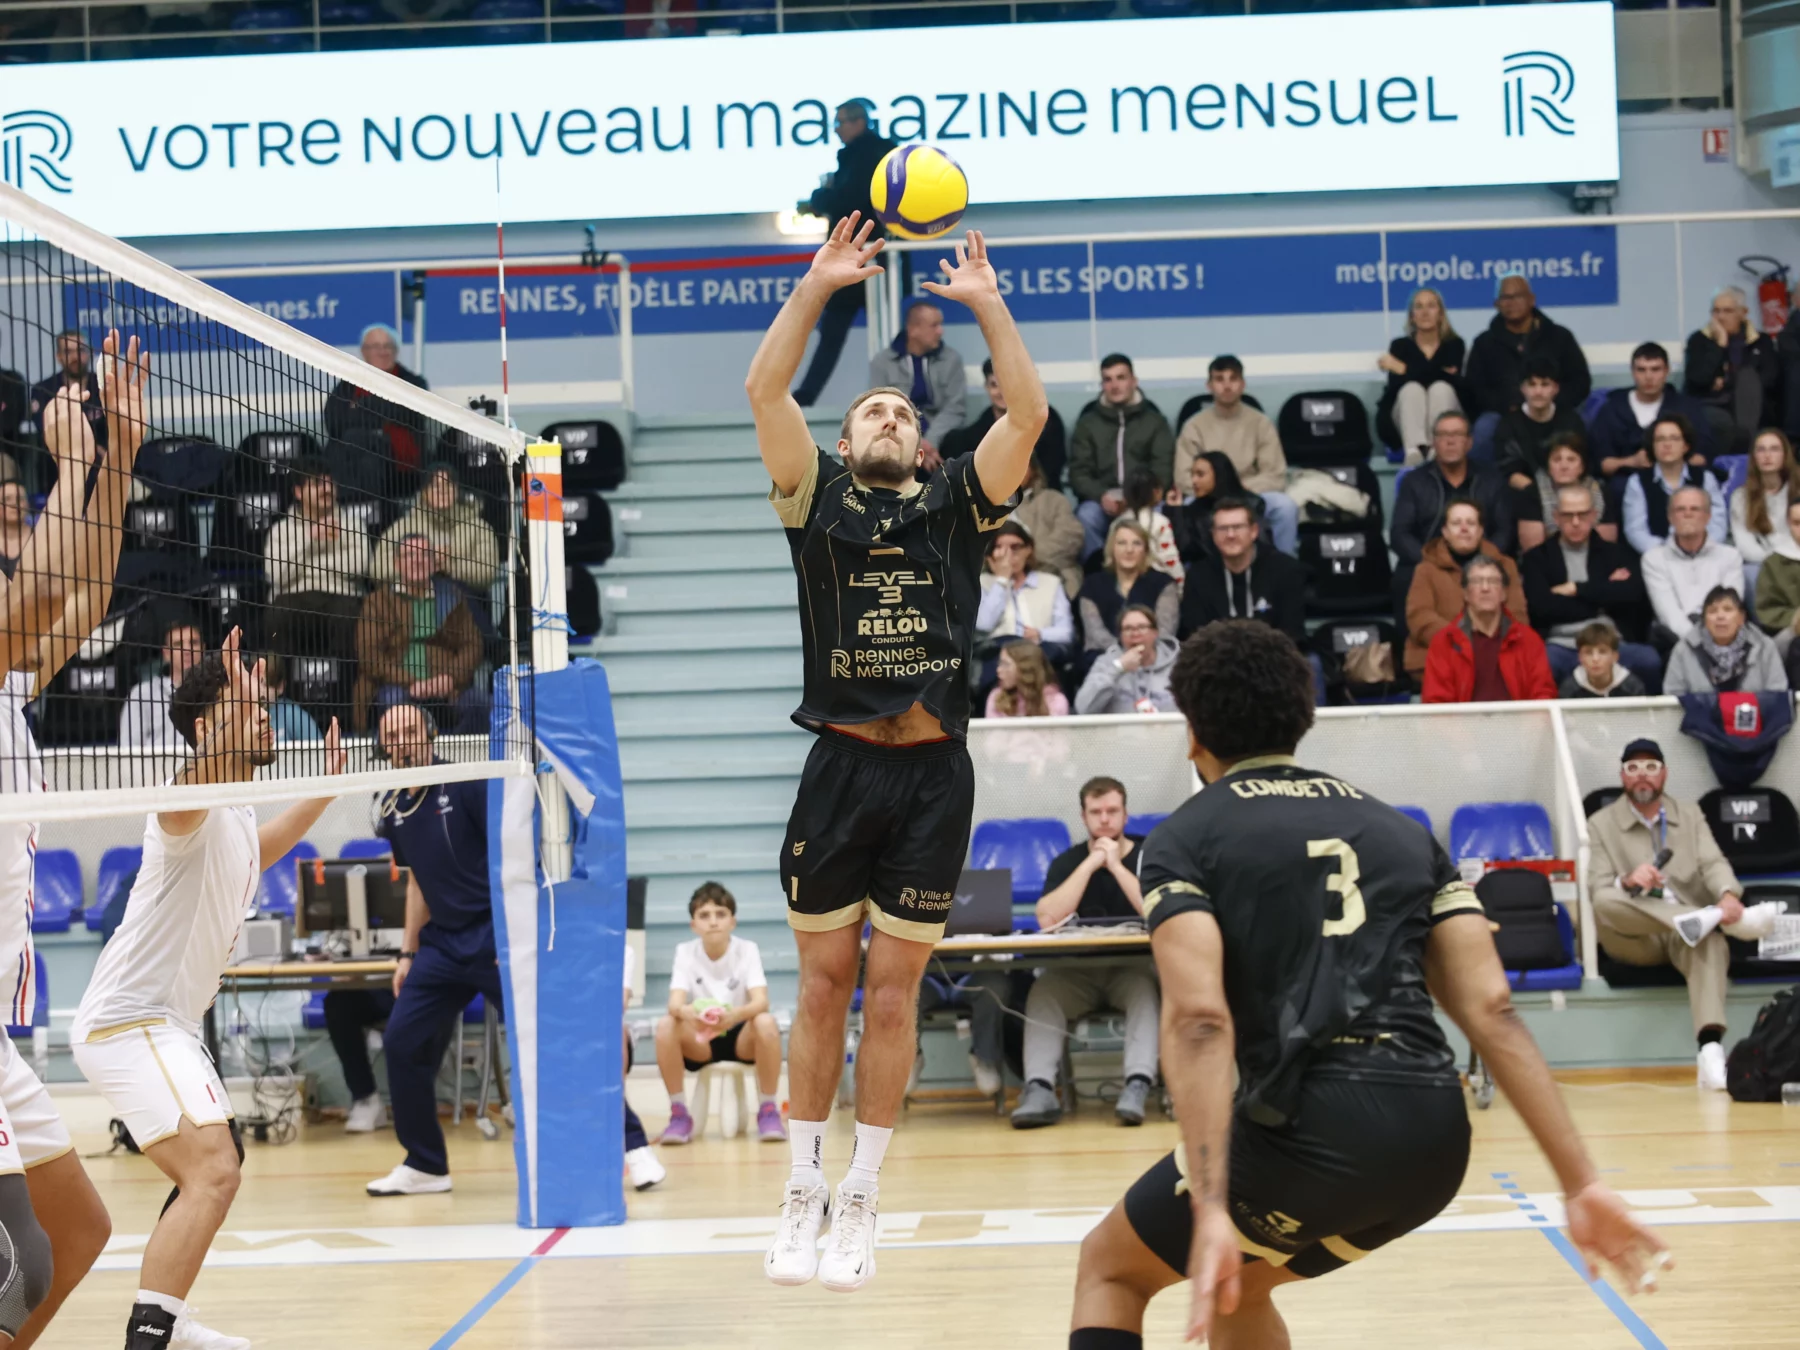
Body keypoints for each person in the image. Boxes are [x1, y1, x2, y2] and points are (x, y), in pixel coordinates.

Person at [1066, 621, 1666, 1350]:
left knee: (1110, 1269)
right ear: (1303, 718)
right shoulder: (1403, 832)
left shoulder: (1183, 839)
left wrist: (1213, 1204)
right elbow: (1492, 1010)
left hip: (1308, 1134)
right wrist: (1581, 1182)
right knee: (1240, 1287)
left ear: (1192, 733)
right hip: (1432, 1144)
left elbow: (1199, 1020)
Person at [746, 218, 1046, 1293]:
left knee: (890, 995)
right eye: (872, 407)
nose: (888, 415)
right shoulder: (813, 495)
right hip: (838, 767)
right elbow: (765, 391)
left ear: (922, 445)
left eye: (903, 411)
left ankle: (863, 1196)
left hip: (931, 774)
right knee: (823, 986)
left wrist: (988, 305)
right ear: (842, 441)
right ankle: (802, 1188)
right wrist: (817, 287)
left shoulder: (957, 501)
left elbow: (1028, 414)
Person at [74, 631, 346, 1350]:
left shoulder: (236, 813)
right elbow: (190, 791)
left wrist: (323, 792)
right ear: (206, 727)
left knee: (219, 1162)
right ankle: (153, 1337)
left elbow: (255, 854)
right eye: (249, 706)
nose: (266, 714)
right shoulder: (183, 806)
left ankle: (167, 1311)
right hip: (130, 1022)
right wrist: (229, 716)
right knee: (216, 1170)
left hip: (170, 1025)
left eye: (263, 704)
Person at [0, 335, 151, 1349]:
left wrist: (119, 460)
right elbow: (42, 594)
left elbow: (83, 599)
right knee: (23, 1263)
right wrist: (71, 465)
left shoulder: (9, 686)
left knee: (80, 1233)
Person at [360, 702, 505, 1196]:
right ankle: (425, 1165)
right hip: (441, 945)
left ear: (431, 733)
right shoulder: (393, 806)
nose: (401, 740)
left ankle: (623, 1144)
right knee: (401, 1042)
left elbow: (507, 858)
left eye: (409, 729)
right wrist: (407, 953)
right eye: (391, 734)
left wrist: (511, 935)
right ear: (383, 746)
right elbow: (417, 881)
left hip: (491, 934)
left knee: (544, 1038)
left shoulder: (465, 783)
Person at [1589, 740, 1782, 1091]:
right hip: (1637, 934)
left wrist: (1727, 895)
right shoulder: (1601, 823)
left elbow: (1713, 863)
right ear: (1622, 777)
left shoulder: (1690, 814)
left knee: (1709, 942)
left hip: (1685, 937)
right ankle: (1709, 918)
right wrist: (1628, 880)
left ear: (1664, 774)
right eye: (1633, 768)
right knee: (1604, 901)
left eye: (1651, 767)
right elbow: (1597, 885)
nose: (1642, 775)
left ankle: (1710, 1052)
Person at [1010, 777, 1159, 1131]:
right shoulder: (1069, 862)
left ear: (1125, 815)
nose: (1104, 819)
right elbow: (1047, 919)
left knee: (1145, 993)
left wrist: (1116, 866)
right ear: (1084, 816)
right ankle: (1040, 1089)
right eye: (1096, 812)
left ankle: (1137, 1086)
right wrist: (1091, 864)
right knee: (1044, 992)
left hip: (1132, 968)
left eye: (1112, 811)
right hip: (1076, 971)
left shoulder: (1149, 856)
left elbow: (1158, 909)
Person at [656, 883, 786, 1145]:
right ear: (694, 925)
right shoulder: (685, 951)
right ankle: (679, 1113)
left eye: (721, 914)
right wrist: (690, 1012)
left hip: (740, 1037)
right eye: (704, 915)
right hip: (701, 1040)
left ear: (732, 922)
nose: (713, 922)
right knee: (666, 1025)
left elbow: (761, 1001)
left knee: (766, 1022)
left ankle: (768, 1110)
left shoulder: (747, 949)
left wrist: (734, 1016)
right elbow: (674, 1004)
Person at [792, 102, 895, 408]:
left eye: (840, 123)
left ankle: (806, 397)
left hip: (862, 254)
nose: (836, 130)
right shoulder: (878, 154)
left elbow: (852, 200)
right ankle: (895, 395)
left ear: (859, 122)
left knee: (846, 329)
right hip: (872, 255)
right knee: (881, 329)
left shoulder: (866, 156)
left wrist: (819, 198)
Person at [1520, 484, 1658, 689]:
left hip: (1612, 643)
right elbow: (1542, 607)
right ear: (1556, 517)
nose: (1575, 522)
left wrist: (1576, 589)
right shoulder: (1537, 558)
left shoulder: (1617, 554)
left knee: (1649, 660)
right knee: (1544, 664)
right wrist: (1602, 598)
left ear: (1594, 515)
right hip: (1561, 645)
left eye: (1582, 515)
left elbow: (1631, 595)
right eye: (1568, 515)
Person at [1389, 412, 1512, 628]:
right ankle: (1413, 649)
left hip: (1481, 558)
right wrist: (1430, 563)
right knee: (1405, 578)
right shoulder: (1414, 481)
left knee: (1507, 571)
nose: (1450, 441)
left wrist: (1481, 563)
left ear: (1469, 442)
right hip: (1429, 562)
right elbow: (1400, 534)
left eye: (1457, 435)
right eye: (1443, 435)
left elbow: (1505, 531)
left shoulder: (1491, 479)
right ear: (1434, 442)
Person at [353, 534, 485, 734]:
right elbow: (369, 656)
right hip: (395, 685)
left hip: (446, 687)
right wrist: (411, 682)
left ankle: (450, 753)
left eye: (425, 554)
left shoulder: (452, 597)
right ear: (397, 564)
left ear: (434, 563)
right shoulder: (377, 601)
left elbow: (473, 644)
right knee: (395, 704)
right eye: (409, 555)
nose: (417, 560)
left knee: (480, 703)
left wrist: (450, 677)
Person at [1172, 356, 1297, 555]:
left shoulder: (1260, 423)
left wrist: (1239, 488)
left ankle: (1285, 567)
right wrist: (1216, 488)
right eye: (1219, 379)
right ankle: (1193, 571)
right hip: (1208, 495)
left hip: (1250, 492)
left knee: (1285, 506)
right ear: (1209, 385)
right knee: (1185, 507)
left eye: (1233, 378)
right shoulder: (1194, 426)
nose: (1227, 385)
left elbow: (1275, 474)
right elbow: (1183, 477)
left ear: (1243, 384)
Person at [1464, 273, 1591, 460]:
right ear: (1496, 304)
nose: (1512, 302)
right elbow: (1474, 389)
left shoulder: (1560, 337)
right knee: (1484, 428)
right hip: (1504, 412)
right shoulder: (1484, 343)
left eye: (1518, 296)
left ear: (1532, 299)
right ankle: (1483, 479)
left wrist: (1549, 402)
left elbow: (1580, 381)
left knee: (1580, 424)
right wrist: (1508, 405)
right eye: (1506, 297)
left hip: (1554, 410)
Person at [262, 456, 370, 664]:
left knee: (349, 614)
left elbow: (360, 566)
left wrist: (307, 564)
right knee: (277, 614)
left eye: (330, 483)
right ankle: (283, 682)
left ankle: (345, 682)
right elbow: (279, 576)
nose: (326, 489)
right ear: (298, 492)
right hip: (294, 597)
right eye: (317, 483)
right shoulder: (280, 530)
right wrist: (309, 538)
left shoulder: (353, 525)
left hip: (341, 596)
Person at [1403, 500, 1526, 679]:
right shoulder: (1425, 570)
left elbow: (1517, 615)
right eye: (1456, 523)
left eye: (1471, 523)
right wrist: (1462, 641)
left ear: (1481, 530)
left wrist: (1489, 646)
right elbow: (1419, 617)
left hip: (1497, 655)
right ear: (1445, 532)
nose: (1464, 529)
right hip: (1440, 657)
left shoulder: (1506, 566)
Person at [1068, 355, 1175, 560]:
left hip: (1145, 499)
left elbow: (1162, 469)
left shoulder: (1155, 422)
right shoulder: (1087, 424)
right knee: (1086, 516)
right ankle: (1099, 571)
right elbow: (1079, 473)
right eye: (1108, 379)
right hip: (1102, 501)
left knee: (1163, 514)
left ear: (1134, 381)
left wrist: (1138, 497)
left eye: (1121, 378)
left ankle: (1156, 570)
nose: (1114, 385)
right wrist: (1101, 496)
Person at [1421, 556, 1557, 703]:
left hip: (1517, 718)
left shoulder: (1528, 640)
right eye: (1477, 581)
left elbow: (1544, 695)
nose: (1485, 588)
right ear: (1465, 593)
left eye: (1493, 581)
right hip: (1464, 718)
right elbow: (1436, 703)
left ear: (1504, 593)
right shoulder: (1445, 642)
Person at [1177, 497, 1305, 643]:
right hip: (1215, 655)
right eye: (1223, 528)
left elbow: (1292, 634)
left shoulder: (1285, 570)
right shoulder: (1198, 576)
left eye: (1237, 527)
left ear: (1254, 531)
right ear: (1213, 535)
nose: (1230, 535)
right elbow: (1195, 636)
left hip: (1273, 654)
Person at [370, 463, 501, 594]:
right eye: (435, 485)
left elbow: (487, 573)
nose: (442, 490)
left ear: (457, 490)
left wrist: (449, 565)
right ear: (424, 493)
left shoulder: (479, 527)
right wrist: (421, 564)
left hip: (465, 599)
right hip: (412, 600)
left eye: (448, 484)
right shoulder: (402, 527)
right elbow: (377, 570)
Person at [868, 301, 966, 475]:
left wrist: (929, 442)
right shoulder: (883, 362)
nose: (940, 331)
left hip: (940, 437)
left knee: (960, 441)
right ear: (913, 330)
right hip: (899, 434)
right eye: (934, 325)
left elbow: (955, 408)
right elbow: (880, 409)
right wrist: (914, 441)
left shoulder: (951, 359)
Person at [943, 357, 1068, 492]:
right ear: (986, 387)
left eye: (1007, 384)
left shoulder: (1047, 420)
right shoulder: (978, 431)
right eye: (994, 385)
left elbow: (1052, 470)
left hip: (1039, 494)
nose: (1002, 392)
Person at [323, 324, 431, 480]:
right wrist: (381, 409)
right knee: (346, 445)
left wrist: (360, 406)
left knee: (363, 450)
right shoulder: (348, 385)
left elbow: (409, 414)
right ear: (364, 352)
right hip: (354, 450)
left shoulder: (414, 383)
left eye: (388, 346)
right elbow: (333, 422)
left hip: (396, 458)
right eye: (376, 347)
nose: (383, 352)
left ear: (396, 351)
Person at [1589, 342, 1713, 478]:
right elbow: (1601, 463)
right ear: (1633, 372)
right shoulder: (1612, 409)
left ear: (1666, 371)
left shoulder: (1687, 407)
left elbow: (1702, 457)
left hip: (1679, 480)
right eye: (1641, 370)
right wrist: (1631, 461)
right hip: (1626, 480)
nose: (1648, 377)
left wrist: (1670, 460)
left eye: (1655, 369)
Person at [1641, 485, 1746, 643]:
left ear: (1708, 516)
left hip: (1723, 635)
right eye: (1680, 509)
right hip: (1676, 640)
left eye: (1695, 509)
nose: (1687, 514)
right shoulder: (1653, 559)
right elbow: (1669, 614)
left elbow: (1730, 608)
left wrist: (1715, 640)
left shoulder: (1730, 556)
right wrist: (1701, 643)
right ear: (1670, 517)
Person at [1684, 286, 1781, 454]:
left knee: (1747, 378)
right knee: (1721, 421)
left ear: (1743, 313)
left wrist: (1728, 381)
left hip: (1751, 406)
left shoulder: (1761, 341)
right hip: (1712, 405)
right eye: (1716, 311)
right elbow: (1697, 379)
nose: (1720, 317)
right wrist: (1720, 344)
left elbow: (1770, 378)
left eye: (1727, 311)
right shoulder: (1699, 340)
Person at [1375, 286, 1465, 465]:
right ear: (1412, 316)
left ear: (1441, 314)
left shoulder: (1455, 345)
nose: (1425, 312)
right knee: (1412, 389)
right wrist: (1437, 372)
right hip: (1405, 419)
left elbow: (1453, 383)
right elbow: (1396, 388)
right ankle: (1413, 453)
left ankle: (1436, 451)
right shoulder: (1399, 346)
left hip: (1450, 415)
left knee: (1440, 389)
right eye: (1419, 307)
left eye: (1431, 306)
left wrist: (1403, 368)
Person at [1622, 416, 1727, 558]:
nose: (1667, 444)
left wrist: (1700, 549)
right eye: (1660, 439)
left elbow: (1718, 524)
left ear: (1686, 446)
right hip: (1658, 558)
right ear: (1652, 446)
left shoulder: (1705, 478)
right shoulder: (1637, 482)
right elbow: (1635, 531)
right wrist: (1670, 553)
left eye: (1674, 438)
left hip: (1704, 555)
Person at [977, 521, 1074, 673]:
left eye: (1015, 547)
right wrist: (1002, 581)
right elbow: (983, 625)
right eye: (999, 547)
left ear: (1028, 550)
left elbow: (1066, 632)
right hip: (997, 656)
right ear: (990, 553)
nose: (1008, 555)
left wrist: (1040, 634)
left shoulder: (1050, 583)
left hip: (1040, 652)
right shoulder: (981, 583)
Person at [1662, 585, 1787, 696]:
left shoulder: (1764, 647)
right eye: (1712, 611)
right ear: (1704, 620)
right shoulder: (1683, 650)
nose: (1720, 616)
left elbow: (1778, 693)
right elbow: (1672, 697)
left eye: (1728, 609)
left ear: (1741, 617)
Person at [1077, 518, 1178, 654]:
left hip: (1153, 656)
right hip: (1104, 656)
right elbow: (1095, 633)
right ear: (1111, 548)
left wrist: (1141, 654)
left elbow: (1165, 632)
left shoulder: (1164, 584)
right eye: (1121, 543)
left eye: (1136, 543)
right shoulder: (1091, 585)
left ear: (1145, 550)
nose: (1129, 550)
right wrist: (1124, 655)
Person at [27, 327, 106, 493]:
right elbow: (46, 429)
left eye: (80, 350)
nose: (76, 357)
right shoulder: (43, 390)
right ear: (59, 356)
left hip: (102, 468)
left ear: (89, 353)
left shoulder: (104, 387)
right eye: (68, 351)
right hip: (57, 467)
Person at [1495, 358, 1588, 498]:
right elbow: (1510, 472)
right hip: (1527, 492)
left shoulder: (1571, 421)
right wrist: (1541, 494)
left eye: (1545, 384)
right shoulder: (1508, 424)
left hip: (1569, 487)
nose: (1538, 392)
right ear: (1523, 389)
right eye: (1532, 385)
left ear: (1555, 389)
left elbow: (1582, 462)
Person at [118, 619, 206, 754]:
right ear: (166, 653)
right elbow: (128, 750)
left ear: (203, 649)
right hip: (155, 767)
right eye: (178, 644)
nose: (187, 650)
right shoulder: (142, 694)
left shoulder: (218, 691)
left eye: (193, 643)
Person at [1514, 433, 1611, 554]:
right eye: (1557, 460)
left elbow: (1607, 549)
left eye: (1571, 460)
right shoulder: (1532, 493)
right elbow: (1533, 552)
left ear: (1582, 466)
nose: (1564, 466)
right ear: (1548, 466)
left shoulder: (1600, 492)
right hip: (1546, 560)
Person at [1075, 604, 1178, 715]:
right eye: (1128, 629)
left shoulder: (1177, 664)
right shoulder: (1106, 663)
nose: (1135, 634)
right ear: (1121, 636)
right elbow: (1083, 708)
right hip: (1121, 726)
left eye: (1142, 627)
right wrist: (1118, 667)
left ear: (1155, 633)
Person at [621, 942, 665, 1191]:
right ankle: (634, 1145)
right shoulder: (541, 940)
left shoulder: (619, 948)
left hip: (590, 1032)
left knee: (613, 1031)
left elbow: (617, 1004)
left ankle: (634, 1146)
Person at [1729, 428, 1800, 579]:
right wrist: (1775, 563)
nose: (1767, 455)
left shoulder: (1798, 490)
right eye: (1761, 450)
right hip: (1764, 564)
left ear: (1785, 455)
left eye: (1774, 449)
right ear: (1754, 457)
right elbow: (1745, 545)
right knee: (1749, 574)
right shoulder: (1740, 497)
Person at [1010, 455, 1084, 597]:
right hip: (1001, 581)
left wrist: (1026, 557)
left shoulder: (1054, 500)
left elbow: (1070, 539)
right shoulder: (985, 509)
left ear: (1033, 469)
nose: (1014, 471)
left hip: (1051, 574)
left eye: (1021, 464)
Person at [1167, 450, 1251, 566]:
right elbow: (1185, 550)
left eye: (1200, 475)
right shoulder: (1195, 508)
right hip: (1207, 571)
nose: (1194, 481)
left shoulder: (1251, 504)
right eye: (1192, 475)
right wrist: (1175, 510)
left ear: (1219, 475)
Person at [1121, 466, 1183, 583]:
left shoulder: (1117, 523)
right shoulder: (1161, 523)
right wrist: (1180, 587)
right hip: (1155, 585)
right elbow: (1169, 560)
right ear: (1156, 492)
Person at [1753, 498, 1800, 650]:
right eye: (1797, 523)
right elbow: (1766, 610)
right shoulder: (1774, 563)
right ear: (1788, 524)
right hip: (1791, 633)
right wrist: (1795, 618)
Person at [1559, 622, 1649, 699]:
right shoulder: (1569, 689)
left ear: (1615, 657)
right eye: (1588, 653)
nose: (1595, 659)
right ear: (1580, 657)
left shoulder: (1632, 687)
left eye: (1602, 652)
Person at [985, 640, 1069, 718]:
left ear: (1025, 669)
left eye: (1005, 664)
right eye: (1000, 663)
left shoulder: (1055, 701)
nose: (998, 670)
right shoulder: (996, 697)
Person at [261, 654, 323, 743]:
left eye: (266, 685)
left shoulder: (293, 715)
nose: (260, 689)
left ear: (281, 687)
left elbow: (316, 748)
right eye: (257, 682)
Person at [0, 479, 28, 576]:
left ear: (27, 504)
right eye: (6, 499)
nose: (14, 503)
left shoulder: (41, 537)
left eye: (20, 499)